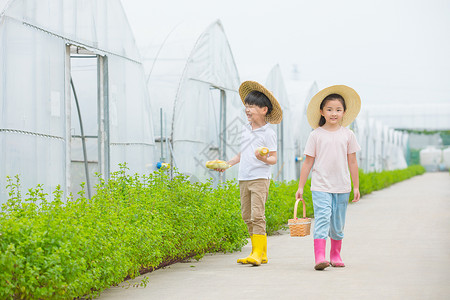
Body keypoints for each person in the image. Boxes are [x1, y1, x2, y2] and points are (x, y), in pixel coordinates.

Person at [295, 85, 361, 270]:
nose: (334, 113)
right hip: (320, 185)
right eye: (330, 109)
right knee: (323, 218)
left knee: (338, 224)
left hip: (342, 186)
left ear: (344, 112)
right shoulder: (315, 135)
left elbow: (353, 162)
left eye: (338, 110)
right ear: (322, 112)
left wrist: (356, 187)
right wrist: (301, 187)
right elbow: (307, 162)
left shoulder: (348, 135)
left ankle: (335, 254)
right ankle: (320, 256)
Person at [218, 81, 282, 266]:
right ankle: (260, 253)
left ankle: (257, 252)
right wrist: (228, 163)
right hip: (244, 177)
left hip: (259, 178)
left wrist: (263, 159)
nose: (247, 110)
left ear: (264, 110)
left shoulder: (268, 132)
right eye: (246, 106)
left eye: (252, 106)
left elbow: (273, 158)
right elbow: (242, 153)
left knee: (257, 215)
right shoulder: (245, 129)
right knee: (247, 216)